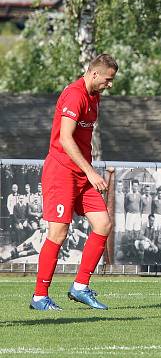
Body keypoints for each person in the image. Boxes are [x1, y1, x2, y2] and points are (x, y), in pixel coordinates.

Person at [30, 53, 118, 311]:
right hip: (61, 172)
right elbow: (66, 139)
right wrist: (91, 171)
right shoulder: (75, 95)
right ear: (94, 74)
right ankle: (39, 296)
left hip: (81, 173)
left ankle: (80, 287)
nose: (110, 84)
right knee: (58, 232)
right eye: (108, 79)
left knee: (103, 224)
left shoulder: (94, 96)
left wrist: (87, 172)